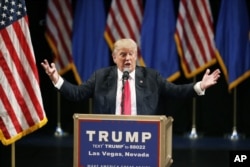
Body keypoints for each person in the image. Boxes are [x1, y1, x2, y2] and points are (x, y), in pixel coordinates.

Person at [41, 38, 221, 115]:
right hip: (108, 141)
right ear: (114, 57)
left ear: (136, 56)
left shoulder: (151, 77)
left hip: (143, 140)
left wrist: (199, 86)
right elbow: (77, 94)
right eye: (123, 54)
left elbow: (176, 91)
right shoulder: (101, 77)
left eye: (131, 54)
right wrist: (57, 78)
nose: (128, 58)